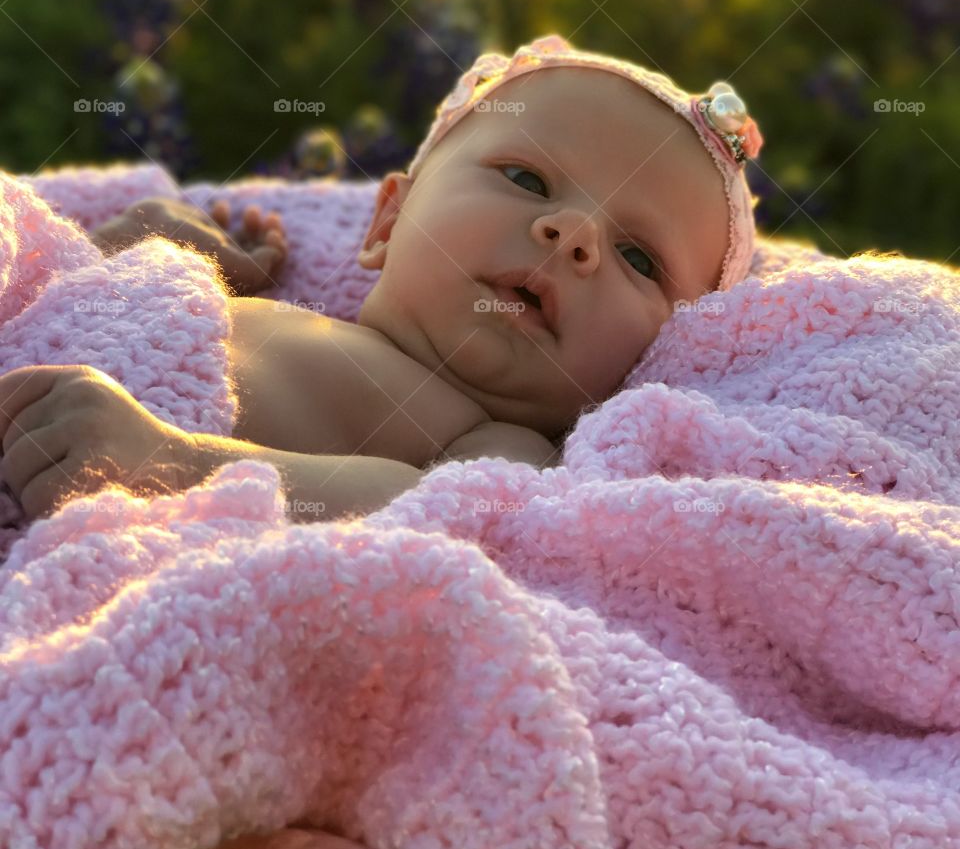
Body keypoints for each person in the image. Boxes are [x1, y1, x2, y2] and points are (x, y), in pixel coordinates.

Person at [0, 34, 763, 525]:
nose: (574, 235)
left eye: (639, 259)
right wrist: (140, 249)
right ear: (387, 223)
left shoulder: (496, 442)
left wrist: (171, 461)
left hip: (85, 497)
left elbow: (434, 518)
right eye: (528, 179)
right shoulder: (260, 306)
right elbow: (51, 294)